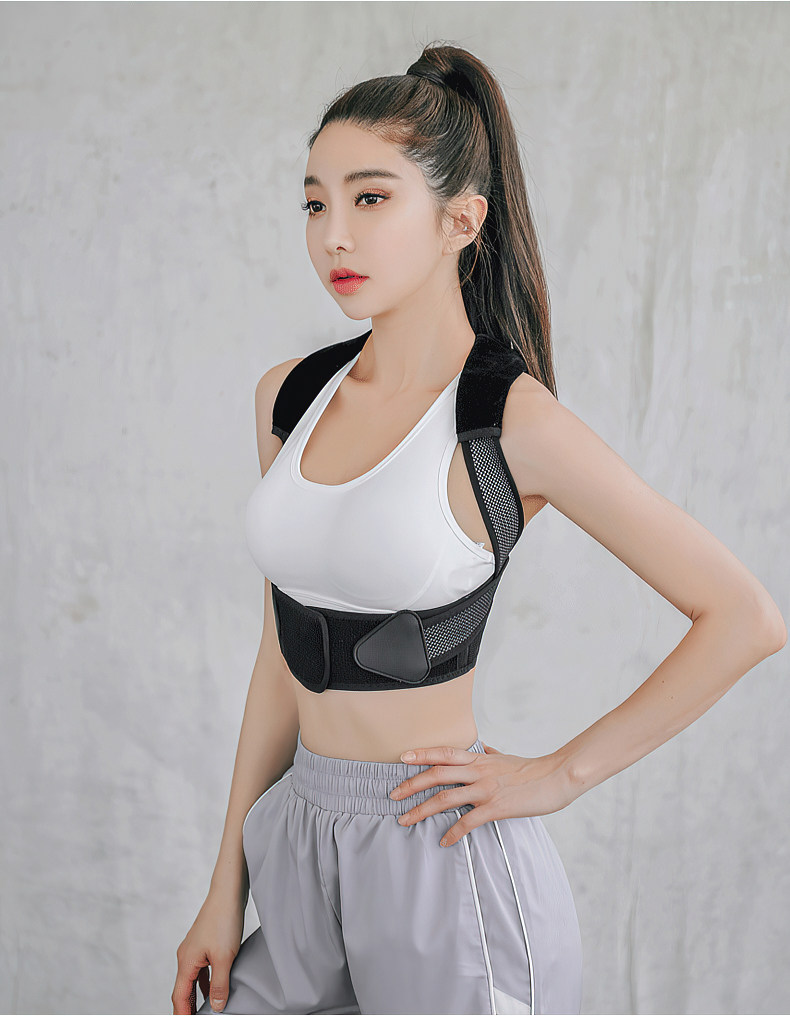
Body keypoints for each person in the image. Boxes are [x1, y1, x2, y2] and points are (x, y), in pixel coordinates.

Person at [172, 42, 786, 1016]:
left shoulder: (509, 422)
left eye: (371, 198)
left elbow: (744, 617)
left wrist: (559, 774)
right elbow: (280, 654)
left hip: (440, 858)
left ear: (461, 219)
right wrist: (225, 885)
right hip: (297, 843)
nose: (334, 234)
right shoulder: (288, 398)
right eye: (315, 203)